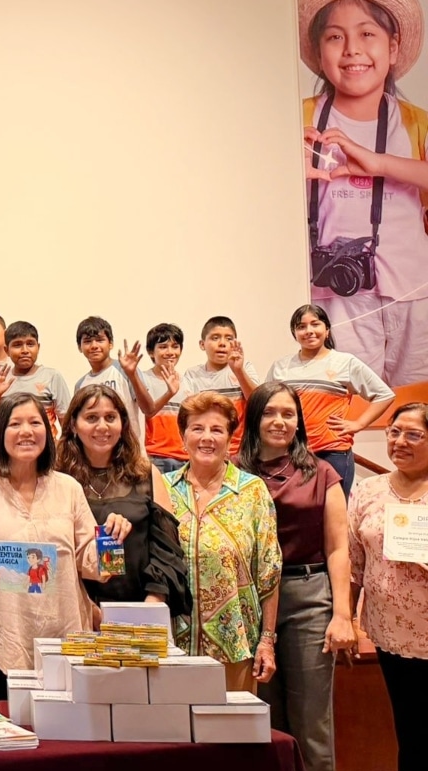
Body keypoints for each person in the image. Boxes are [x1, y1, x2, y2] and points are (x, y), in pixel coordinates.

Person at [300, 0, 428, 387]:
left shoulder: (415, 122)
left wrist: (379, 163)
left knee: (416, 408)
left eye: (367, 33)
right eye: (335, 37)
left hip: (415, 292)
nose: (352, 48)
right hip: (334, 294)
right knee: (345, 405)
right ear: (320, 54)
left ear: (392, 47)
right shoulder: (296, 118)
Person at [237, 381, 354, 771]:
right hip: (250, 604)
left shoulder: (322, 472)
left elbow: (338, 548)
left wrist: (342, 614)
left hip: (307, 597)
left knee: (311, 723)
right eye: (269, 412)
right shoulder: (237, 473)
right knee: (263, 720)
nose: (279, 421)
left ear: (299, 421)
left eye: (288, 413)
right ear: (254, 420)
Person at [0, 394, 103, 700]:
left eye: (35, 423)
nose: (26, 431)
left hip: (66, 641)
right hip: (0, 646)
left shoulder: (68, 488)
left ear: (48, 433)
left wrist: (111, 539)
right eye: (15, 424)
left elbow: (93, 565)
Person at [166, 392, 281, 692]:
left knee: (232, 737)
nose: (207, 438)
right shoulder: (162, 489)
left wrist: (266, 642)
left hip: (235, 646)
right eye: (197, 429)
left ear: (231, 437)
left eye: (217, 430)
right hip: (171, 647)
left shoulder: (253, 492)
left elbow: (269, 574)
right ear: (183, 436)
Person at [348, 402, 428, 771]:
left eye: (414, 434)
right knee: (411, 734)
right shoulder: (368, 489)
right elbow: (353, 563)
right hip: (391, 635)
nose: (399, 441)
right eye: (394, 432)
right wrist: (345, 617)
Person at [55, 385, 191, 618]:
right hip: (74, 611)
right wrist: (85, 607)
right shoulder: (56, 479)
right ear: (73, 426)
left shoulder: (146, 473)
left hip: (139, 608)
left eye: (110, 417)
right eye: (91, 418)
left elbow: (167, 550)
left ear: (123, 424)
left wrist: (152, 603)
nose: (102, 426)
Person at [267, 303, 394, 498]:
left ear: (326, 330)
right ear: (295, 333)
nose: (309, 331)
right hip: (290, 452)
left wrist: (358, 424)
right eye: (301, 326)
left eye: (315, 324)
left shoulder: (345, 362)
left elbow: (384, 395)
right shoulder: (281, 366)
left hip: (332, 452)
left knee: (333, 517)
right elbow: (266, 404)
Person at [180, 316, 260, 455]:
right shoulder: (193, 374)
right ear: (202, 344)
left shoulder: (244, 367)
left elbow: (257, 401)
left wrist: (238, 371)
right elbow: (189, 414)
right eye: (215, 338)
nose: (222, 343)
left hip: (242, 449)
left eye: (229, 338)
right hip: (208, 448)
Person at [121, 323, 188, 474]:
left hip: (185, 457)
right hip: (154, 456)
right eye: (163, 347)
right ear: (151, 352)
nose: (170, 352)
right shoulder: (143, 379)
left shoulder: (188, 381)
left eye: (175, 346)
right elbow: (148, 410)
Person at [0, 321, 72, 437]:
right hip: (10, 448)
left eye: (30, 344)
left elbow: (65, 419)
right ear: (6, 350)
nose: (25, 350)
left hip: (47, 449)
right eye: (17, 345)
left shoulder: (52, 376)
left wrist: (63, 448)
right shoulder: (0, 379)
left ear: (38, 347)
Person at [73, 316, 142, 442]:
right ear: (79, 347)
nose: (94, 346)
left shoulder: (125, 370)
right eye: (87, 341)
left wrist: (132, 375)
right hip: (96, 452)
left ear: (111, 344)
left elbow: (147, 409)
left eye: (100, 340)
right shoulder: (80, 385)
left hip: (130, 451)